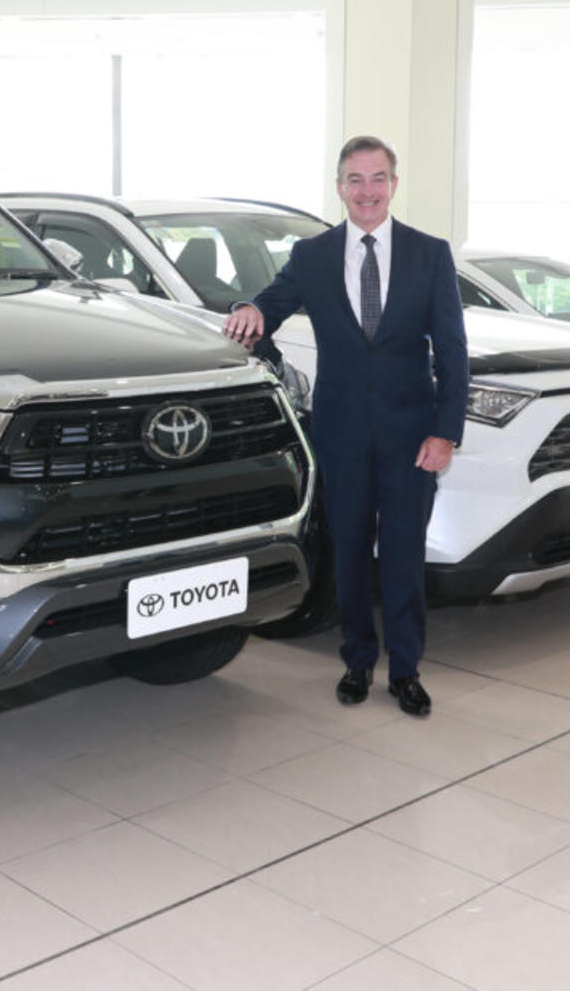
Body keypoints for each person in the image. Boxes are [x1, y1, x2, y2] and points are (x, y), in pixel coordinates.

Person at [223, 136, 468, 716]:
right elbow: (268, 306)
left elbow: (453, 353)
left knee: (404, 555)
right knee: (351, 551)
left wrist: (446, 431)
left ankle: (405, 669)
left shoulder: (429, 254)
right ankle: (358, 660)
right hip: (341, 435)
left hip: (413, 437)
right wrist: (248, 309)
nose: (367, 191)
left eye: (377, 178)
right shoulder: (312, 256)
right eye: (355, 180)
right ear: (339, 188)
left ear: (394, 185)